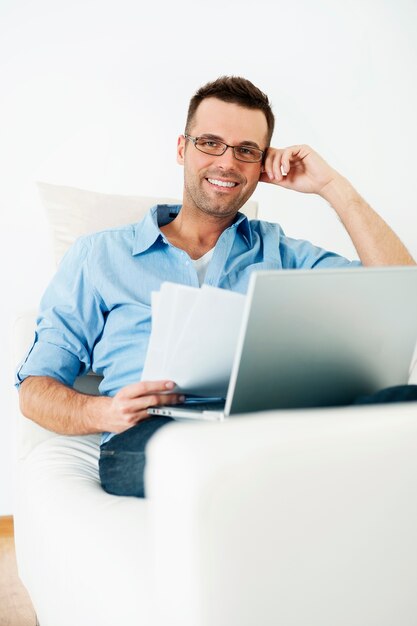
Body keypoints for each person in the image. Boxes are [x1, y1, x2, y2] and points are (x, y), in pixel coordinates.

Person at [16, 76, 416, 498]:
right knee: (204, 466)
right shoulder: (99, 255)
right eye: (210, 143)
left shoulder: (280, 250)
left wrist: (333, 188)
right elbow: (35, 390)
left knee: (405, 402)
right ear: (181, 149)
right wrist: (106, 412)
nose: (227, 162)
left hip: (269, 425)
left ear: (262, 166)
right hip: (155, 435)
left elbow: (404, 292)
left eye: (246, 150)